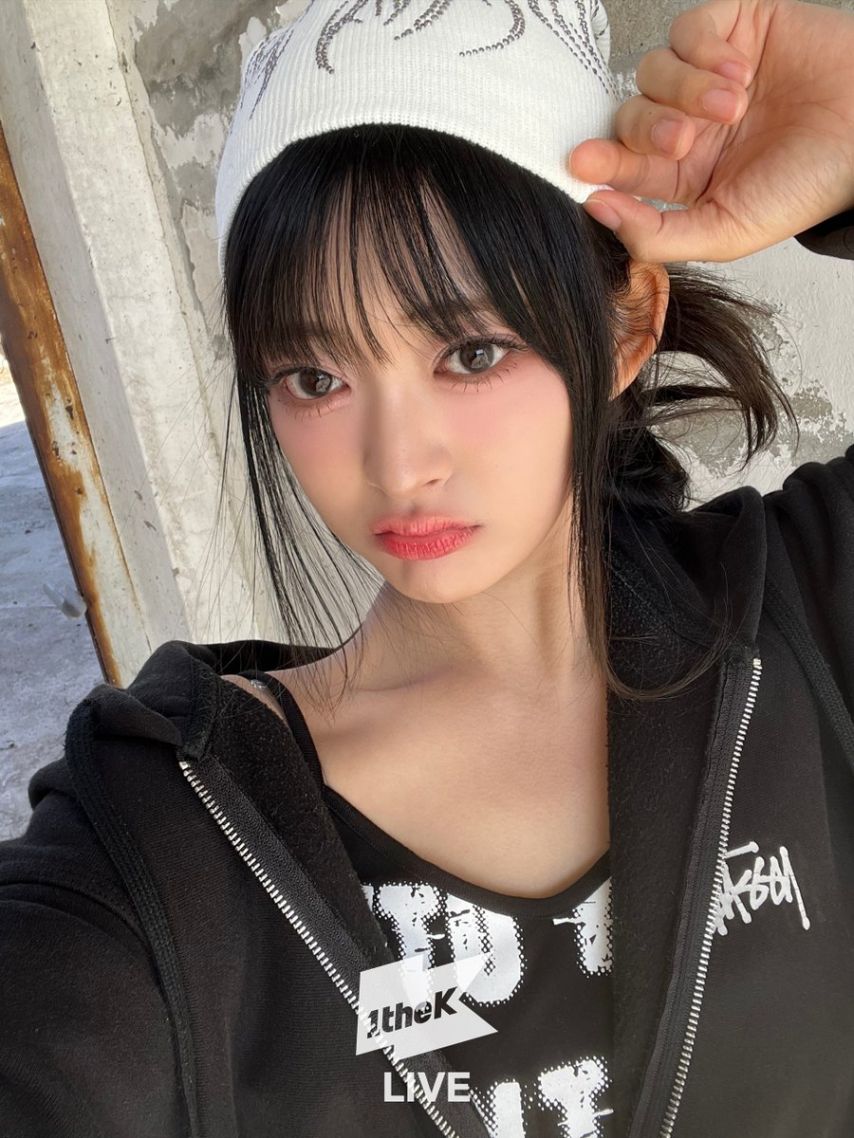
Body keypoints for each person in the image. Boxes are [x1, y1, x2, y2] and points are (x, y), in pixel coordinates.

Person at [2, 0, 854, 1135]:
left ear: (624, 330)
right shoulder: (165, 832)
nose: (398, 464)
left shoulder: (804, 613)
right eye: (314, 377)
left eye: (470, 351)